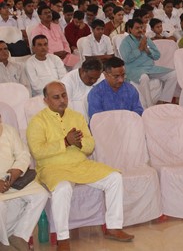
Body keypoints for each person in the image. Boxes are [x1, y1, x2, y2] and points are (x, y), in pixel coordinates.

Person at [26, 81, 134, 251]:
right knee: (62, 189)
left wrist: (79, 143)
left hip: (80, 164)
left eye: (64, 95)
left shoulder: (76, 116)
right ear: (46, 100)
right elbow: (37, 151)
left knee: (115, 178)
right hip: (52, 168)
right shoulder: (37, 121)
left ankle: (114, 227)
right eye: (56, 97)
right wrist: (65, 141)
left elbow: (90, 145)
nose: (62, 100)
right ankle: (63, 239)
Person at [0, 114, 49, 251]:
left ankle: (19, 235)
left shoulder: (9, 130)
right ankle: (3, 243)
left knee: (41, 194)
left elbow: (23, 154)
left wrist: (14, 173)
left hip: (12, 181)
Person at [119, 18, 177, 105]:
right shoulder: (125, 42)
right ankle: (149, 106)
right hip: (134, 69)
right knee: (144, 78)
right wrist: (140, 49)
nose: (140, 30)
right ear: (130, 29)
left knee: (174, 74)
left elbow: (157, 55)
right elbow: (126, 59)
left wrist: (147, 50)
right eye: (137, 28)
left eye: (141, 28)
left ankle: (164, 100)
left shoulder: (145, 39)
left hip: (150, 68)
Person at [87, 57, 144, 121]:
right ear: (105, 75)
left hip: (128, 125)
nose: (121, 80)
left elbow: (138, 111)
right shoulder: (96, 93)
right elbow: (97, 119)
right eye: (116, 76)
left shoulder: (130, 89)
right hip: (106, 128)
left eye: (123, 75)